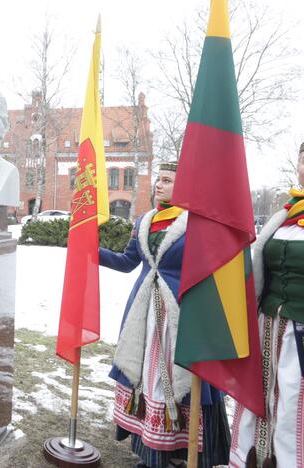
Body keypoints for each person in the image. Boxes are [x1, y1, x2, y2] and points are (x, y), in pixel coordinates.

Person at [98, 162, 230, 468]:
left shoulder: (197, 223)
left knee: (178, 381)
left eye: (168, 180)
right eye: (158, 179)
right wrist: (90, 250)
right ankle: (151, 452)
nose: (159, 184)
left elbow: (212, 269)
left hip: (181, 315)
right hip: (143, 316)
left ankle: (183, 454)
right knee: (146, 378)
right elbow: (128, 261)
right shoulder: (146, 220)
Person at [229, 134, 304, 468]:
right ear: (298, 168)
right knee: (261, 403)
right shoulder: (284, 216)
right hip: (266, 330)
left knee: (298, 411)